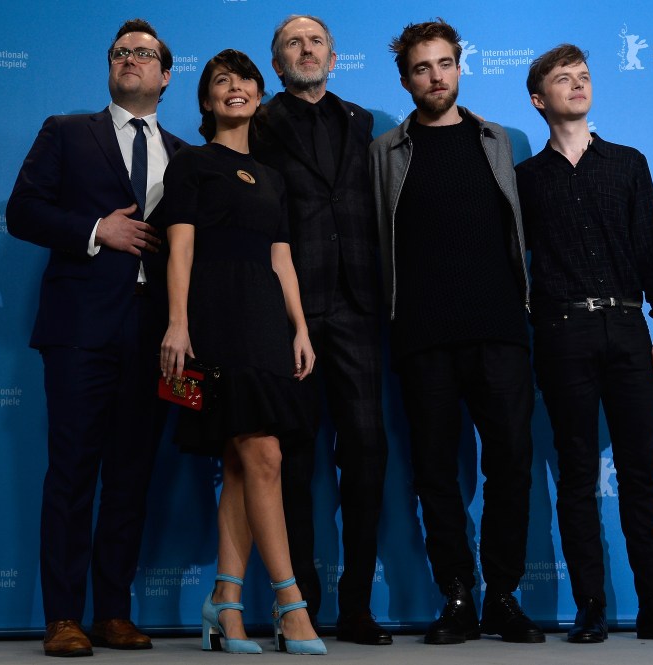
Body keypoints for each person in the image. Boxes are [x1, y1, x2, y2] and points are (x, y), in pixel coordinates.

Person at [515, 44, 653, 644]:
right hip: (562, 334)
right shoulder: (525, 180)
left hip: (629, 328)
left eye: (584, 76)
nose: (578, 85)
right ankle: (589, 607)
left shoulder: (628, 163)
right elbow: (512, 266)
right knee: (576, 474)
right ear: (539, 99)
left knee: (641, 473)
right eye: (564, 79)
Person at [5, 18, 185, 658]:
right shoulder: (66, 131)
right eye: (120, 53)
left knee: (132, 478)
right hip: (80, 330)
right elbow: (22, 211)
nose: (130, 59)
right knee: (73, 473)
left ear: (166, 75)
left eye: (144, 54)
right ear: (110, 67)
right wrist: (94, 230)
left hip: (154, 336)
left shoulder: (185, 155)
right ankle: (62, 617)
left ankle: (113, 613)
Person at [369, 19, 544, 645]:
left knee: (511, 465)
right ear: (406, 79)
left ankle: (504, 595)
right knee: (435, 472)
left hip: (500, 329)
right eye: (422, 67)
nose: (436, 76)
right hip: (422, 337)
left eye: (444, 63)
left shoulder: (501, 141)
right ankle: (457, 596)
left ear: (460, 68)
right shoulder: (384, 152)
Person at [156, 48, 325, 656]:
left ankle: (225, 603)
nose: (236, 87)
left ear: (259, 93)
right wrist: (178, 325)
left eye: (245, 79)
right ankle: (290, 603)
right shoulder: (192, 163)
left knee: (241, 462)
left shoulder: (272, 177)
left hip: (267, 323)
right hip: (215, 318)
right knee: (263, 454)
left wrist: (300, 328)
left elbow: (283, 260)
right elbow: (180, 249)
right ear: (207, 100)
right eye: (221, 81)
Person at [250, 15, 391, 645]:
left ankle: (357, 607)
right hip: (288, 313)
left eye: (316, 42)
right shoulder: (257, 124)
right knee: (294, 462)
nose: (305, 50)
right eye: (293, 44)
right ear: (277, 63)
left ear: (333, 58)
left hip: (359, 307)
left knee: (367, 454)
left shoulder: (364, 123)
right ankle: (298, 606)